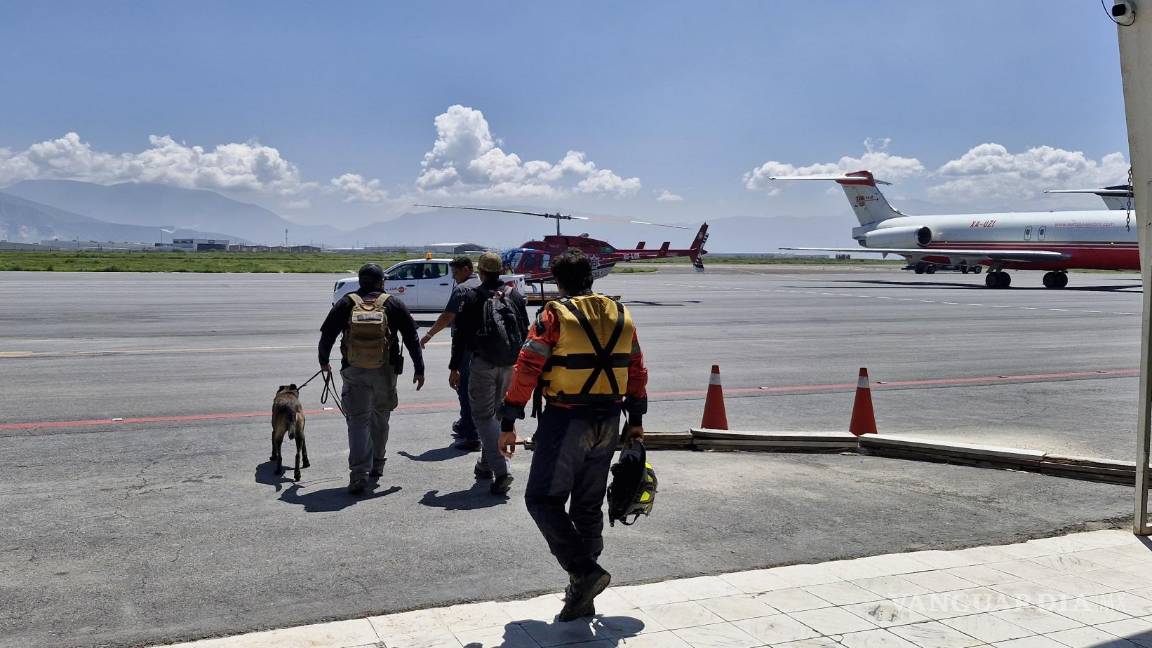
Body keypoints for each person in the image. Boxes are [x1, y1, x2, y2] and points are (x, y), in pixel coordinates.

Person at [498, 249, 647, 621]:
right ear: (591, 278)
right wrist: (636, 419)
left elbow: (527, 367)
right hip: (609, 420)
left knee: (541, 500)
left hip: (566, 419)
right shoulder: (621, 314)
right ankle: (583, 595)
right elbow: (637, 369)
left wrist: (509, 420)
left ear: (558, 281)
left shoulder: (553, 315)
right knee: (587, 507)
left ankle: (584, 573)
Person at [319, 263, 425, 495]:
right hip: (385, 371)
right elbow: (411, 337)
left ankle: (359, 473)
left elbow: (327, 334)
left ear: (360, 281)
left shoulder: (347, 302)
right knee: (380, 417)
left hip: (354, 369)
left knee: (358, 421)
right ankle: (377, 464)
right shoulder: (393, 303)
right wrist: (419, 368)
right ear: (381, 282)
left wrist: (323, 361)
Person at [450, 252, 529, 494]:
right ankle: (486, 464)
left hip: (483, 364)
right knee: (497, 414)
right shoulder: (514, 295)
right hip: (510, 365)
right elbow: (525, 330)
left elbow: (460, 336)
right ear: (501, 271)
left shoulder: (472, 296)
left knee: (483, 417)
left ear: (481, 272)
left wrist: (454, 367)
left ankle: (502, 470)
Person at [421, 256, 483, 450]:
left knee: (464, 386)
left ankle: (471, 435)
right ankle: (467, 424)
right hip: (487, 347)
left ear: (466, 269)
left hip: (466, 346)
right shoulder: (484, 285)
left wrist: (429, 335)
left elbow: (448, 316)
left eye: (455, 273)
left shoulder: (462, 289)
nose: (454, 277)